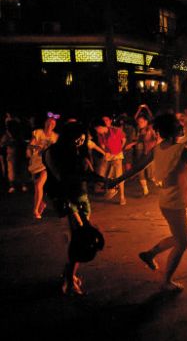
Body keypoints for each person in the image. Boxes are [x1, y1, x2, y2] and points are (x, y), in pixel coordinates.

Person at [110, 114, 187, 292]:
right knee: (182, 242)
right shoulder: (181, 150)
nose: (182, 128)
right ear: (173, 130)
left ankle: (150, 254)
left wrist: (116, 180)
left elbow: (136, 168)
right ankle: (166, 281)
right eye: (178, 126)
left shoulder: (157, 149)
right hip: (175, 201)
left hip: (166, 200)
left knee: (178, 237)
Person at [43, 122, 106, 295]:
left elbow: (89, 173)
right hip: (65, 198)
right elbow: (62, 177)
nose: (81, 140)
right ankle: (70, 279)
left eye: (83, 137)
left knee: (82, 238)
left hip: (81, 197)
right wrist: (88, 175)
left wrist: (105, 180)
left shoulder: (80, 151)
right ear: (67, 136)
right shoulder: (52, 152)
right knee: (78, 239)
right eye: (77, 136)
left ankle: (69, 275)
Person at [27, 116, 59, 219]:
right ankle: (41, 203)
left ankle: (35, 210)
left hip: (46, 164)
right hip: (36, 162)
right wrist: (37, 147)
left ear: (55, 126)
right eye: (49, 123)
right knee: (37, 187)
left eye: (53, 123)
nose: (50, 125)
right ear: (45, 123)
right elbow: (30, 146)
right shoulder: (38, 132)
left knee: (38, 185)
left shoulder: (55, 136)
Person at [95, 117, 127, 205]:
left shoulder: (116, 130)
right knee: (104, 173)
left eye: (97, 129)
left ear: (100, 127)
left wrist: (120, 149)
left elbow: (124, 139)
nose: (97, 132)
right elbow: (102, 145)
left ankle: (122, 197)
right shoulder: (101, 135)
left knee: (119, 175)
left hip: (117, 155)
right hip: (108, 155)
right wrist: (105, 151)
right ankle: (111, 189)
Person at [126, 105, 157, 196]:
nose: (139, 123)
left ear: (146, 122)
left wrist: (146, 108)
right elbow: (135, 118)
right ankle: (145, 189)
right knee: (140, 170)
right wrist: (139, 109)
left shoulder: (150, 128)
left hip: (150, 151)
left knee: (152, 174)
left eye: (142, 122)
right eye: (139, 122)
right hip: (141, 152)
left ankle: (162, 185)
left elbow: (156, 139)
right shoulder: (139, 130)